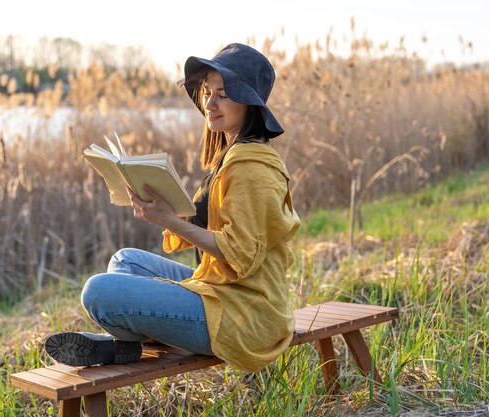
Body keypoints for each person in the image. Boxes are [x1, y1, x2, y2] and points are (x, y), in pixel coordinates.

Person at [45, 43, 301, 371]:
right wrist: (162, 206)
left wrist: (170, 220)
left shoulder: (251, 167)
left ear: (248, 104)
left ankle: (123, 342)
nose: (210, 102)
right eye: (208, 92)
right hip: (223, 290)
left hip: (246, 316)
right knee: (125, 260)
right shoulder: (234, 153)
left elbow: (241, 253)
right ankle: (126, 343)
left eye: (223, 94)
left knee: (97, 291)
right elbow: (216, 223)